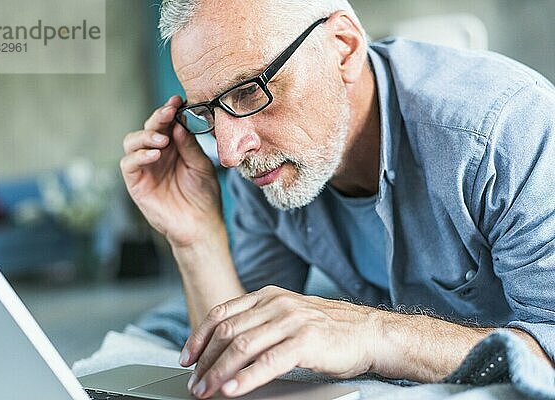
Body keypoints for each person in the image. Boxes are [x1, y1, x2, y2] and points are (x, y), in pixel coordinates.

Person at [120, 0, 555, 398]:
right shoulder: (267, 163)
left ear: (343, 48)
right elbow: (247, 352)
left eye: (250, 91)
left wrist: (373, 333)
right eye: (208, 112)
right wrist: (196, 237)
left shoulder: (505, 132)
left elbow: (549, 347)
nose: (230, 152)